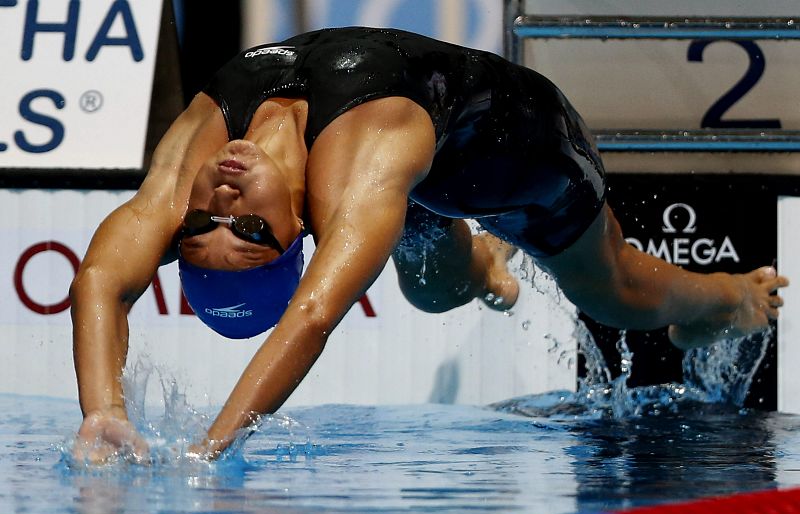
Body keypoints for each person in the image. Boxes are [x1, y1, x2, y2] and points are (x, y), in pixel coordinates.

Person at [70, 27, 788, 463]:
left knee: (593, 284)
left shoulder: (196, 164)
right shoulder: (356, 173)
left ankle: (709, 299)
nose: (222, 204)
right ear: (298, 236)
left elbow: (101, 279)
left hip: (489, 130)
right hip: (515, 152)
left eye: (201, 228)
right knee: (585, 292)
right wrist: (170, 434)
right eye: (250, 232)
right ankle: (737, 295)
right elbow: (312, 318)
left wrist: (132, 419)